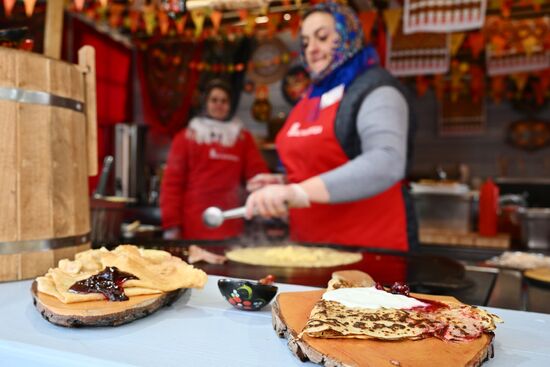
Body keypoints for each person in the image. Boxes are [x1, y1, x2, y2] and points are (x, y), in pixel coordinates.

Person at [245, 2, 417, 251]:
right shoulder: (311, 96)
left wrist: (298, 192)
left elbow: (386, 160)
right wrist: (284, 183)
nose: (312, 49)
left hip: (371, 249)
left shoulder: (376, 88)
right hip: (311, 249)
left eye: (323, 38)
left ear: (349, 36)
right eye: (305, 42)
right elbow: (320, 166)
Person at [161, 79, 269, 240]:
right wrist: (171, 224)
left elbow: (258, 175)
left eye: (224, 101)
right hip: (194, 223)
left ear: (230, 105)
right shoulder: (186, 137)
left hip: (231, 220)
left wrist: (268, 197)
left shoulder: (242, 138)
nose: (219, 105)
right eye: (214, 100)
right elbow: (172, 184)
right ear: (205, 103)